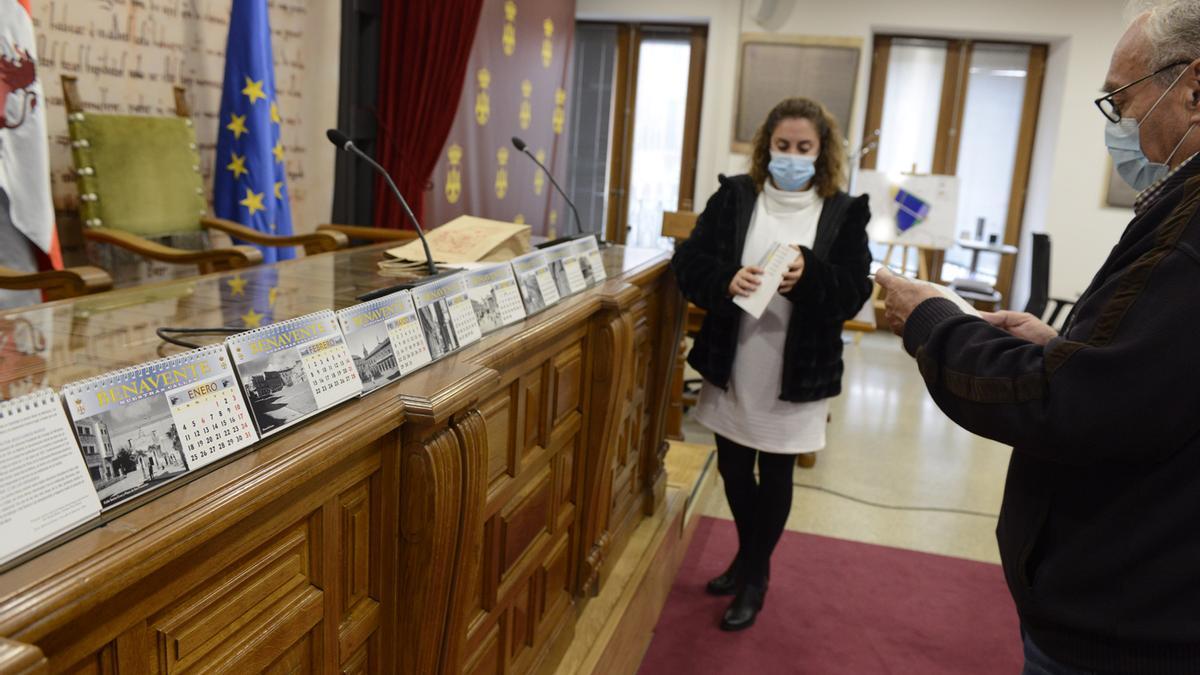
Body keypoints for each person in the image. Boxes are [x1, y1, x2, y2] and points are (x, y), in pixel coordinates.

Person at [878, 2, 1200, 671]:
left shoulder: (1190, 235)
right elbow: (1147, 376)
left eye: (1121, 99)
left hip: (1127, 620)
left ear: (1193, 89)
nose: (1120, 124)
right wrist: (1060, 342)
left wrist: (932, 319)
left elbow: (1065, 404)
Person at [672, 97, 871, 631]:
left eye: (803, 148)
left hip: (797, 368)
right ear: (767, 147)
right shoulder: (736, 196)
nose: (791, 156)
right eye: (782, 146)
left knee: (776, 469)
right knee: (734, 467)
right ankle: (746, 557)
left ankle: (755, 576)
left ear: (821, 152)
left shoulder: (844, 212)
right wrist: (724, 279)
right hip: (735, 359)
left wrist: (808, 276)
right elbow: (689, 262)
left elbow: (853, 292)